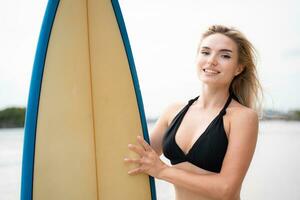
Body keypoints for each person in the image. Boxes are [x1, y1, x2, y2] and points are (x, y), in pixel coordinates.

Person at [124, 24, 263, 200]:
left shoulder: (242, 117)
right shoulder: (173, 111)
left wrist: (162, 170)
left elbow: (226, 189)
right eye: (205, 52)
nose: (211, 60)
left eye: (225, 56)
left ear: (239, 68)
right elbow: (136, 156)